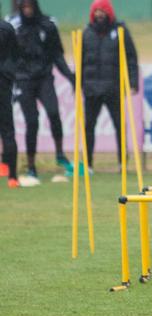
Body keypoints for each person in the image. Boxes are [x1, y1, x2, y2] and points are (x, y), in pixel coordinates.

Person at [9, 0, 74, 184]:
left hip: (44, 77)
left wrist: (70, 77)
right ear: (21, 8)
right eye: (25, 6)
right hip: (23, 80)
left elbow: (57, 56)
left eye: (30, 6)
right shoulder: (13, 26)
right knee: (32, 122)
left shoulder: (48, 25)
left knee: (54, 112)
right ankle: (31, 166)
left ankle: (60, 154)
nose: (28, 10)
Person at [82, 0, 139, 172]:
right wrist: (77, 83)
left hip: (113, 87)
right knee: (88, 126)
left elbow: (131, 58)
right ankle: (88, 164)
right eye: (96, 11)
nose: (99, 14)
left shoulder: (120, 31)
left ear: (109, 12)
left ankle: (122, 162)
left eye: (102, 11)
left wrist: (133, 81)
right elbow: (81, 60)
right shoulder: (86, 33)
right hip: (92, 89)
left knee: (119, 126)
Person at [0, 17, 19, 188]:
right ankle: (12, 176)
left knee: (7, 131)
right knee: (8, 131)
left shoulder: (6, 28)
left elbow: (15, 56)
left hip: (3, 87)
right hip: (4, 85)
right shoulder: (7, 28)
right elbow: (16, 57)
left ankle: (11, 174)